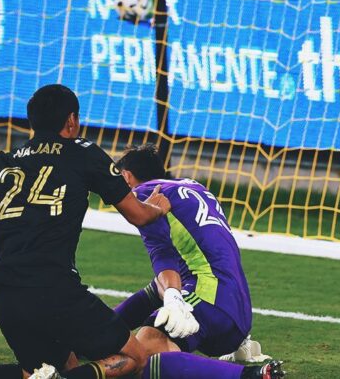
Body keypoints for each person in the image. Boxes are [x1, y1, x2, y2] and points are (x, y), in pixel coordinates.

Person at [0, 84, 171, 379]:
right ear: (71, 120)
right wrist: (158, 206)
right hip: (55, 288)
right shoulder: (84, 154)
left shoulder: (3, 161)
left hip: (5, 293)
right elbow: (139, 216)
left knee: (52, 367)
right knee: (133, 357)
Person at [111, 144, 284, 379]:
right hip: (237, 309)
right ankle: (95, 334)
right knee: (158, 289)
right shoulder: (193, 186)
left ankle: (250, 375)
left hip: (208, 297)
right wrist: (102, 330)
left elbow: (161, 252)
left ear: (126, 176)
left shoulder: (145, 194)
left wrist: (173, 297)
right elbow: (157, 288)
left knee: (139, 357)